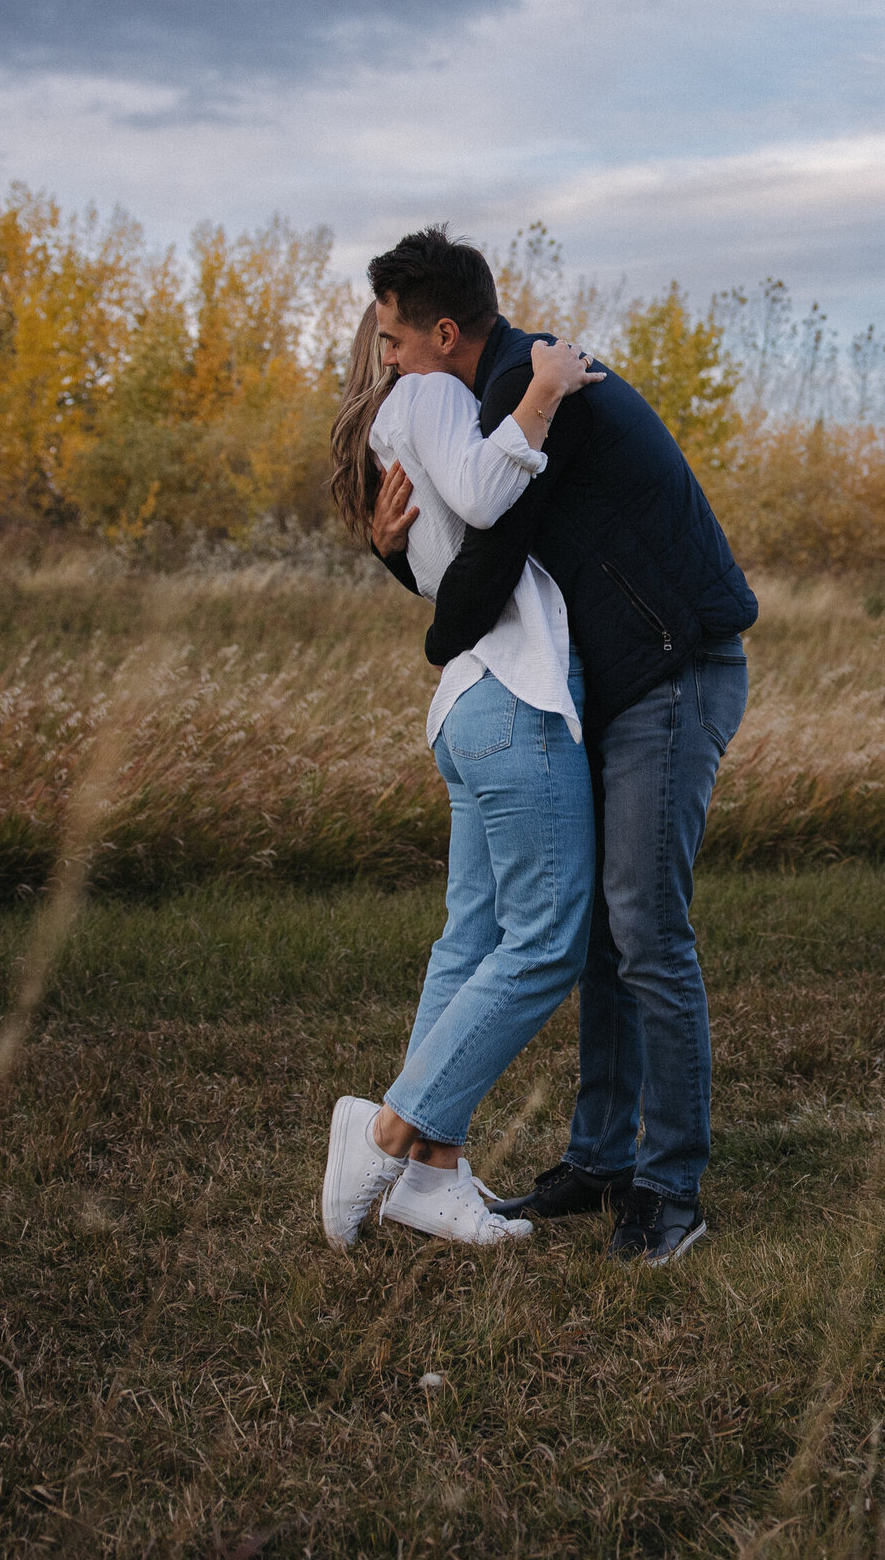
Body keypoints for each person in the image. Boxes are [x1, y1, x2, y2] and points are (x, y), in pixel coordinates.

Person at [368, 225, 757, 1266]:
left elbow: (483, 580)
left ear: (445, 333)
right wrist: (394, 552)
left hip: (673, 670)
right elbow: (466, 548)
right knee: (594, 931)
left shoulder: (538, 391)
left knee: (644, 926)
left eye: (395, 343)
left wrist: (435, 636)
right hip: (611, 683)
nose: (388, 365)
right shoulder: (500, 393)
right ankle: (598, 1160)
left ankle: (669, 1188)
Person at [320, 299, 602, 1252]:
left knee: (474, 932)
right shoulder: (434, 394)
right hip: (515, 698)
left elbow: (455, 553)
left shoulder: (396, 428)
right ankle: (390, 1133)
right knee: (545, 940)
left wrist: (390, 558)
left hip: (469, 704)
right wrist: (545, 394)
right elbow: (489, 501)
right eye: (405, 336)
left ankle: (431, 1177)